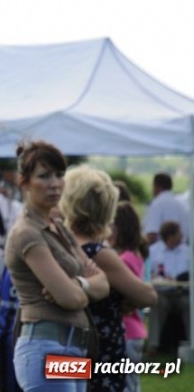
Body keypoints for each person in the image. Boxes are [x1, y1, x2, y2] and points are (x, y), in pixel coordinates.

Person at [4, 140, 110, 392]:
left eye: (59, 175)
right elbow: (70, 299)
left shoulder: (59, 227)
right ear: (24, 182)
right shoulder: (27, 233)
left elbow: (103, 283)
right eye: (44, 176)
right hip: (46, 347)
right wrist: (80, 288)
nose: (54, 184)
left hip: (75, 347)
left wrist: (78, 284)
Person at [60, 165, 156, 392]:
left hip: (66, 345)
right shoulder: (99, 253)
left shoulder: (61, 246)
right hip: (101, 351)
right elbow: (147, 296)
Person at [109, 201, 151, 392]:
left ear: (119, 228)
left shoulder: (123, 260)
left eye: (110, 224)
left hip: (126, 331)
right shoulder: (134, 254)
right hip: (135, 330)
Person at [147, 220, 191, 354]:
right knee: (157, 303)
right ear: (170, 237)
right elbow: (148, 273)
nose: (182, 236)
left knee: (189, 305)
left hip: (182, 292)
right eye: (178, 233)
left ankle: (191, 343)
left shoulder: (187, 251)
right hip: (162, 292)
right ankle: (153, 346)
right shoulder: (154, 251)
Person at [143, 172, 189, 244]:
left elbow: (152, 234)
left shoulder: (156, 204)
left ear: (156, 186)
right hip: (182, 250)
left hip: (161, 251)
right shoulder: (180, 204)